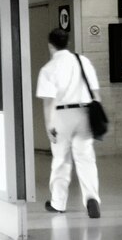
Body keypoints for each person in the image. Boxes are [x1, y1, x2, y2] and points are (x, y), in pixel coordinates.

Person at [36, 28, 101, 218]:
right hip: (85, 113)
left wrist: (49, 125)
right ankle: (92, 199)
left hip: (62, 115)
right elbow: (95, 92)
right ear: (67, 43)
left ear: (50, 45)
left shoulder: (48, 69)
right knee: (86, 158)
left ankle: (58, 203)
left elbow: (48, 101)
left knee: (61, 160)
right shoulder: (83, 61)